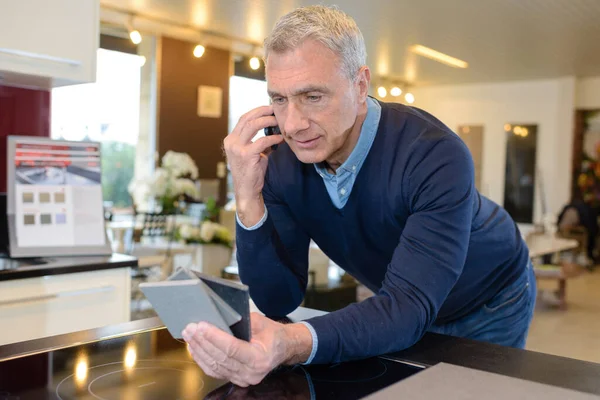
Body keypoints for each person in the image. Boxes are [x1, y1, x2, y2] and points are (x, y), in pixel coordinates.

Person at [182, 5, 536, 387]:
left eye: (313, 96)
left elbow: (407, 308)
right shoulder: (281, 162)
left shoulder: (433, 154)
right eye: (279, 100)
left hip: (490, 296)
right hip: (402, 303)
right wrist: (249, 198)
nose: (294, 124)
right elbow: (277, 300)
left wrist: (287, 342)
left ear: (360, 85)